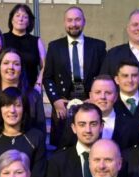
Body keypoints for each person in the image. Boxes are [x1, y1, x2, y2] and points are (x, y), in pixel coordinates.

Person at [43, 6, 106, 147]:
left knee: (91, 142)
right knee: (62, 146)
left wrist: (96, 97)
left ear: (84, 22)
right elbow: (48, 77)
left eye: (77, 20)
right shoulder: (55, 47)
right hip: (64, 103)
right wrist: (55, 100)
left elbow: (104, 75)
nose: (73, 24)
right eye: (69, 20)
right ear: (65, 23)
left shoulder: (98, 46)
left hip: (90, 99)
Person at [0, 48, 46, 137]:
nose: (11, 67)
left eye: (16, 64)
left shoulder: (33, 96)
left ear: (21, 69)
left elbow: (40, 130)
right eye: (6, 63)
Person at [84, 75, 139, 149]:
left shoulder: (131, 126)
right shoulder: (77, 123)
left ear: (116, 96)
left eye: (108, 93)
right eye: (98, 92)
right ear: (90, 96)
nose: (102, 97)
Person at [2, 4, 46, 90]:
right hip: (6, 90)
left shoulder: (36, 41)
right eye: (17, 16)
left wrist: (39, 84)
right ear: (12, 20)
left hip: (31, 89)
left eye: (25, 17)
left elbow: (45, 66)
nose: (21, 19)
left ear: (29, 22)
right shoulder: (3, 39)